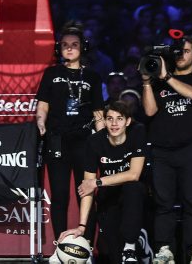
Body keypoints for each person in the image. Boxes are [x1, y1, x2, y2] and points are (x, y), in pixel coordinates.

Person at [141, 34, 192, 264]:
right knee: (163, 204)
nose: (181, 55)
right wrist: (147, 82)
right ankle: (164, 249)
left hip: (190, 149)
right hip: (161, 151)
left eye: (186, 51)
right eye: (178, 51)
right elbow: (150, 111)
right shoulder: (159, 81)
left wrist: (167, 76)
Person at [35, 21, 106, 244]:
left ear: (83, 47)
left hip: (84, 141)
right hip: (57, 139)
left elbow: (98, 112)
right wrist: (40, 122)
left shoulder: (92, 76)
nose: (69, 48)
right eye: (65, 44)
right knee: (59, 195)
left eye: (74, 44)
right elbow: (43, 104)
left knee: (85, 193)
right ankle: (60, 245)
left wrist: (103, 142)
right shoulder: (51, 73)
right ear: (59, 48)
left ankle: (87, 245)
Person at [58, 101, 146, 264]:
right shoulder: (94, 141)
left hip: (132, 196)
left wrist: (97, 182)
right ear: (104, 121)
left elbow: (134, 174)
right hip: (109, 197)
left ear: (127, 121)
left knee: (133, 187)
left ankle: (130, 247)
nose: (114, 124)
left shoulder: (137, 131)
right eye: (110, 119)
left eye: (119, 119)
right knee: (115, 255)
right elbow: (87, 186)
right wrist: (82, 226)